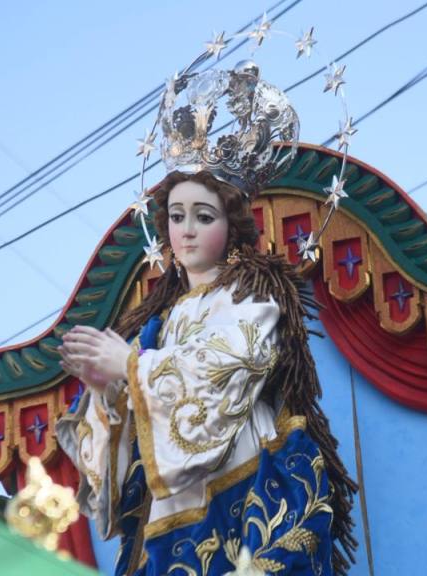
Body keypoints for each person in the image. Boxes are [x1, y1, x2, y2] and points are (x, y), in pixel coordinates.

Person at [55, 168, 358, 575]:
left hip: (240, 463)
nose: (188, 230)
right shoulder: (156, 325)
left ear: (231, 227)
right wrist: (109, 391)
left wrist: (130, 367)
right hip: (169, 498)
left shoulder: (248, 296)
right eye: (177, 217)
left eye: (204, 216)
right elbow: (135, 424)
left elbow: (234, 358)